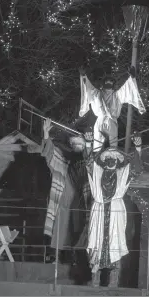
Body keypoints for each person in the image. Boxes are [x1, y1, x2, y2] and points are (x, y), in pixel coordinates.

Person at [83, 130, 143, 287]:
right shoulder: (97, 171)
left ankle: (113, 286)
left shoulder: (123, 173)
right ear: (104, 160)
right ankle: (94, 284)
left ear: (118, 160)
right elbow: (89, 163)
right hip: (99, 211)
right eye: (108, 157)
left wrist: (138, 148)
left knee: (115, 245)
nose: (111, 159)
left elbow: (136, 169)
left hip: (115, 213)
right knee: (96, 244)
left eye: (114, 157)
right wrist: (88, 144)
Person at [42, 118, 82, 262]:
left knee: (76, 231)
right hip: (61, 204)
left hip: (78, 206)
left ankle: (74, 259)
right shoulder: (62, 161)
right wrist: (46, 134)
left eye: (80, 144)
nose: (77, 146)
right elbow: (49, 153)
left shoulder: (86, 162)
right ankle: (55, 257)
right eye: (74, 144)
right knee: (59, 230)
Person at [79, 66, 145, 152]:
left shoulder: (117, 95)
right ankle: (96, 159)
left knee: (113, 148)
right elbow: (87, 88)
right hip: (100, 122)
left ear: (113, 83)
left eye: (111, 81)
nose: (109, 82)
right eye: (107, 81)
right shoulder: (96, 94)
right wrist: (83, 76)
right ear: (103, 83)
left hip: (112, 122)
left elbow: (129, 88)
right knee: (97, 148)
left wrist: (132, 77)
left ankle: (113, 158)